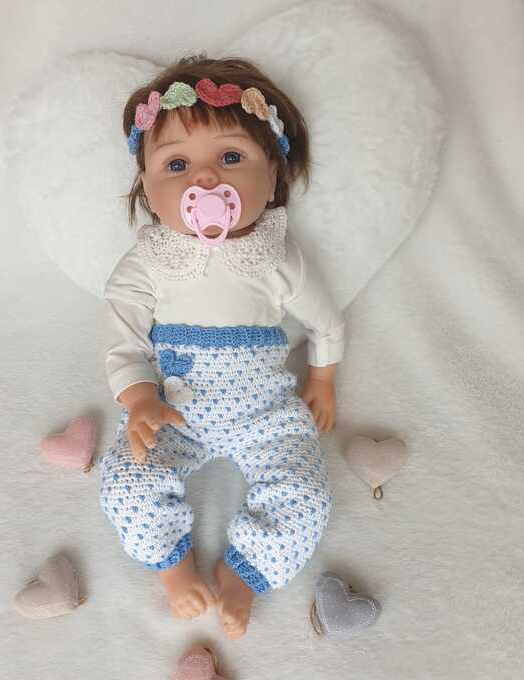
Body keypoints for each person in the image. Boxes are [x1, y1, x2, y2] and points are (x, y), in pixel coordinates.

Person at [98, 54, 345, 640]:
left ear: (272, 177)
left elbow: (325, 321)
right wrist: (138, 399)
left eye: (231, 158)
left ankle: (246, 573)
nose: (205, 180)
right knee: (128, 478)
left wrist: (322, 380)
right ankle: (172, 565)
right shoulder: (147, 262)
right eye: (177, 164)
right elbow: (122, 339)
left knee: (306, 491)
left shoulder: (277, 256)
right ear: (147, 187)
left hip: (266, 411)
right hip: (174, 407)